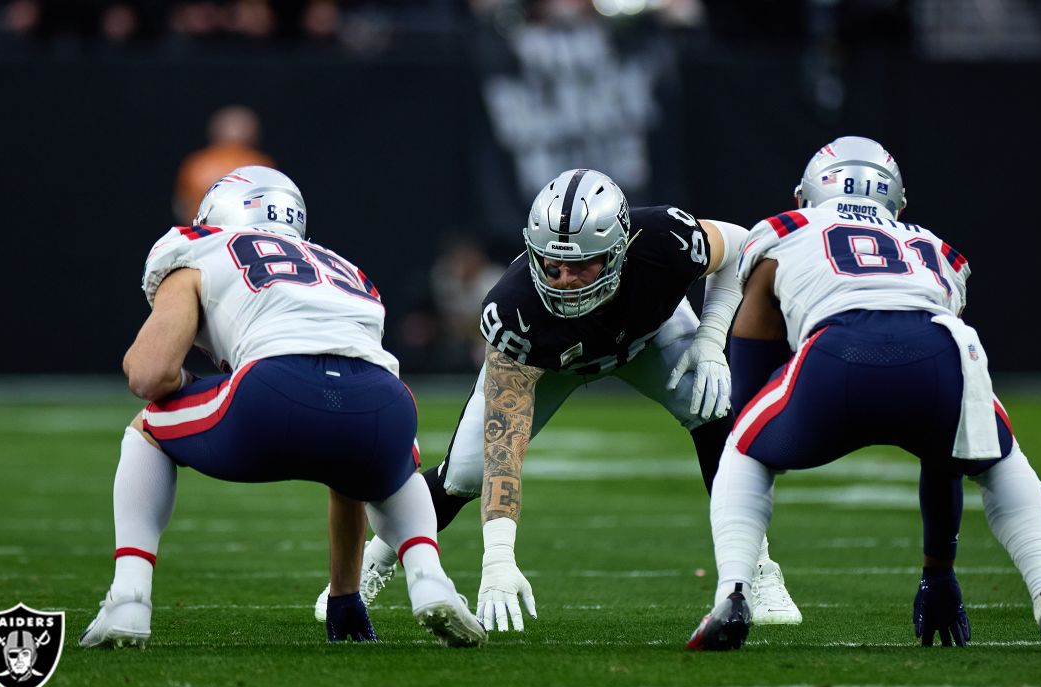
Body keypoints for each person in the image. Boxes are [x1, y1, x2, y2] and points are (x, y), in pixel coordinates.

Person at [317, 168, 802, 631]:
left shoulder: (663, 237)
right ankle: (372, 561)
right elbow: (504, 451)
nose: (564, 278)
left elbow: (742, 245)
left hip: (646, 338)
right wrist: (498, 558)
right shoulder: (515, 309)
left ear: (619, 249)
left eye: (581, 264)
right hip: (553, 362)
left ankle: (757, 569)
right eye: (553, 263)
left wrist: (712, 337)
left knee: (709, 403)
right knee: (466, 472)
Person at [687, 137, 1041, 653]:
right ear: (897, 202)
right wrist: (939, 572)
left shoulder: (785, 230)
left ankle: (733, 592)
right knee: (999, 459)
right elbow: (947, 452)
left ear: (808, 193)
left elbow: (751, 364)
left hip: (838, 354)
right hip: (940, 350)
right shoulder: (933, 247)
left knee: (741, 446)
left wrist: (756, 436)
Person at [80, 166, 484, 649]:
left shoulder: (198, 247)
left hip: (274, 393)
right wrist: (345, 594)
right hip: (385, 405)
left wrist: (191, 380)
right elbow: (346, 467)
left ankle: (128, 599)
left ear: (218, 211)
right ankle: (430, 579)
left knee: (148, 428)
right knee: (395, 461)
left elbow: (149, 375)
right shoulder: (343, 269)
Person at [173, 105, 274, 224]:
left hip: (202, 234)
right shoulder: (261, 165)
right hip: (247, 235)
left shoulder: (195, 164)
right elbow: (268, 206)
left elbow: (182, 206)